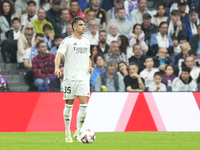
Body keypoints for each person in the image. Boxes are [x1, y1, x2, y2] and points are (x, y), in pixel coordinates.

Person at [54, 17, 93, 143]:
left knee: (84, 105)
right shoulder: (68, 41)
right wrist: (57, 67)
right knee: (69, 104)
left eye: (84, 24)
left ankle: (77, 132)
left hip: (83, 78)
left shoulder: (87, 42)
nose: (83, 26)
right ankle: (67, 132)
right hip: (70, 78)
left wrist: (90, 66)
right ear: (74, 27)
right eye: (81, 25)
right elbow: (58, 55)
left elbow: (88, 57)